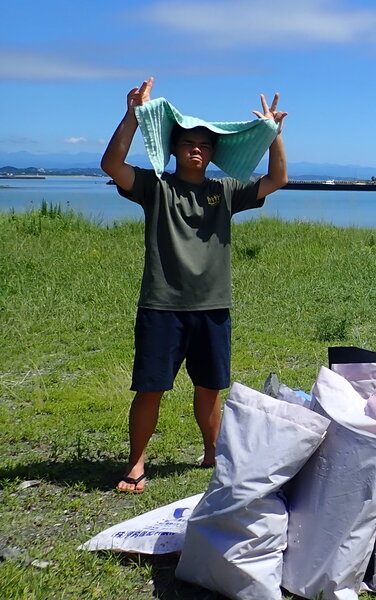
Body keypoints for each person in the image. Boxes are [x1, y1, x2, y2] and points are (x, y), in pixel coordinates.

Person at [101, 77, 288, 492]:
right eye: (188, 144)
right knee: (151, 389)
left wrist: (273, 135)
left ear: (213, 153)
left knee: (210, 387)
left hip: (212, 306)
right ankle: (136, 464)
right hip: (162, 306)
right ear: (174, 150)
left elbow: (276, 181)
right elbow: (112, 167)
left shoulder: (225, 190)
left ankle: (211, 452)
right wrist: (131, 116)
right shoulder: (157, 187)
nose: (197, 150)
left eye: (205, 145)